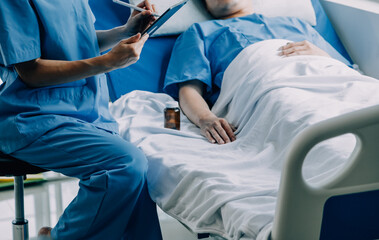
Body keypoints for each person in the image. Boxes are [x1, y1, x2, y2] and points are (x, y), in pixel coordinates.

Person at [0, 0, 163, 239]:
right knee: (125, 165)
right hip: (34, 114)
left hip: (86, 110)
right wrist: (108, 62)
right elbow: (30, 71)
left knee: (137, 180)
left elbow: (79, 42)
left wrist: (125, 31)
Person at [163, 0, 351, 145]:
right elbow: (189, 90)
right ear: (205, 5)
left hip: (324, 79)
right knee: (303, 118)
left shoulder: (296, 24)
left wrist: (321, 54)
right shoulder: (199, 32)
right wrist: (205, 118)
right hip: (268, 89)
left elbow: (347, 72)